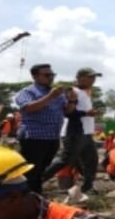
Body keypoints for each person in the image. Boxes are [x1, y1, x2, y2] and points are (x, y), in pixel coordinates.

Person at [40, 68, 102, 199]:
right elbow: (68, 113)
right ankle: (37, 181)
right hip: (74, 133)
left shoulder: (84, 92)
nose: (93, 80)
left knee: (92, 160)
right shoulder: (72, 92)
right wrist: (87, 113)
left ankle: (87, 187)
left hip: (86, 133)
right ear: (79, 78)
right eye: (90, 77)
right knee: (65, 159)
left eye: (94, 78)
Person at [14, 64, 72, 194]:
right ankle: (25, 195)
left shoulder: (57, 94)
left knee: (41, 169)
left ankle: (35, 194)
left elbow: (66, 112)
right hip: (34, 137)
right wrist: (51, 96)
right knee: (31, 170)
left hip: (52, 137)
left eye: (52, 75)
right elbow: (29, 108)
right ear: (35, 76)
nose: (50, 78)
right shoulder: (28, 92)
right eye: (46, 75)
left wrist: (72, 101)